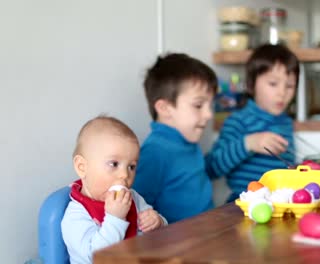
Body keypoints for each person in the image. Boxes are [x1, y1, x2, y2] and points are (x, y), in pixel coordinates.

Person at [61, 116, 167, 264]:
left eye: (131, 166)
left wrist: (158, 222)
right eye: (114, 164)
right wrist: (115, 219)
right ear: (82, 167)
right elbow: (95, 257)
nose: (125, 174)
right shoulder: (76, 215)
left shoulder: (133, 198)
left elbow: (160, 234)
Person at [205, 44, 300, 203]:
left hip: (281, 204)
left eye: (289, 86)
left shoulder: (286, 123)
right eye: (273, 84)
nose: (282, 93)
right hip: (243, 206)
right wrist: (248, 143)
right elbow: (211, 168)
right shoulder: (238, 121)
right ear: (251, 84)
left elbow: (284, 168)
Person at [132, 53, 217, 223]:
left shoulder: (188, 141)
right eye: (198, 105)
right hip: (178, 245)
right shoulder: (155, 152)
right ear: (164, 108)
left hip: (207, 233)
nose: (209, 114)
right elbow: (136, 212)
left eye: (210, 105)